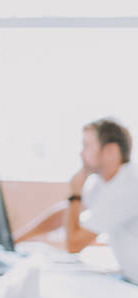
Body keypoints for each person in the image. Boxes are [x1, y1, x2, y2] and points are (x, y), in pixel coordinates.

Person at [15, 118, 138, 281]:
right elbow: (64, 214)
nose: (81, 153)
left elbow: (74, 245)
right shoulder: (102, 183)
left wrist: (75, 193)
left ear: (110, 151)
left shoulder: (126, 187)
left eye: (87, 145)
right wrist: (17, 238)